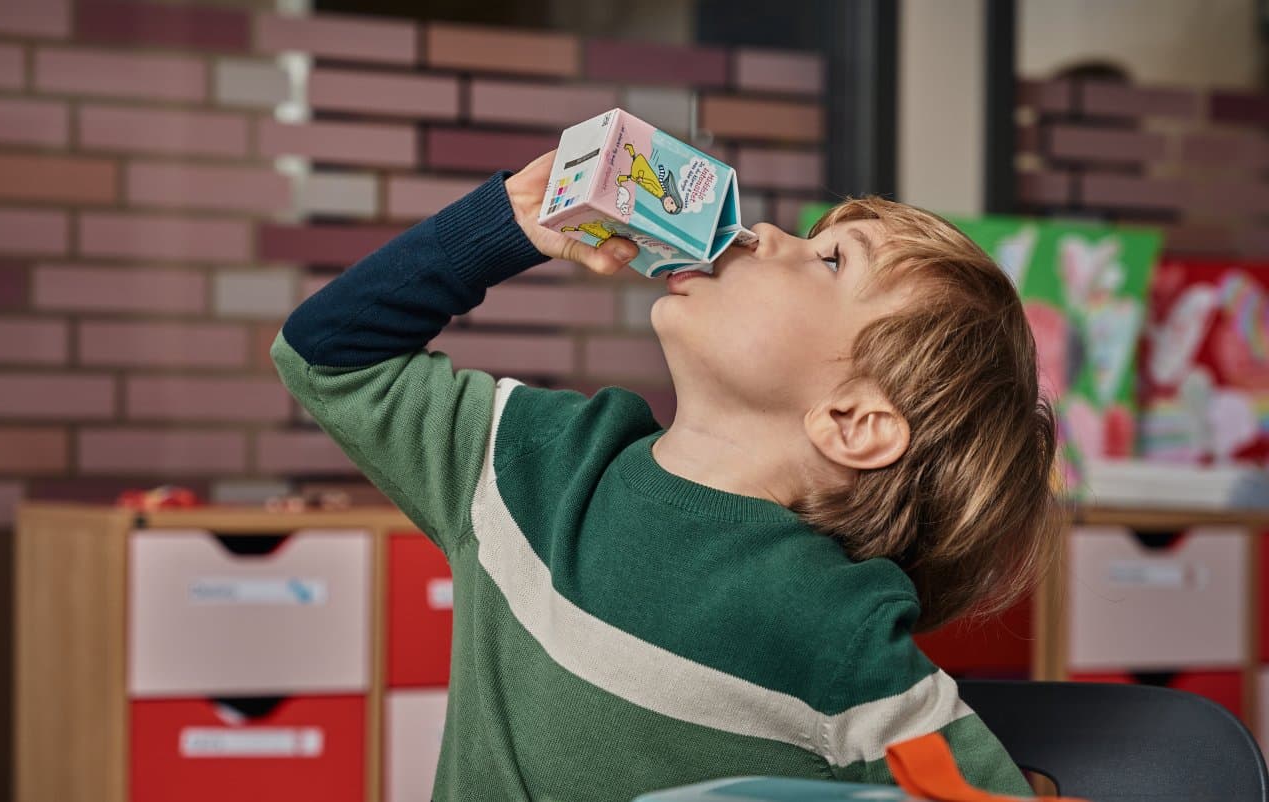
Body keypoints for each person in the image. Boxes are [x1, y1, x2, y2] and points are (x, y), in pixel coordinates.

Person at [271, 150, 1057, 799]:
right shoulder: (527, 461)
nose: (773, 234)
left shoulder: (840, 636)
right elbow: (326, 356)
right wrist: (500, 227)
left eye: (830, 260)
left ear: (853, 422)